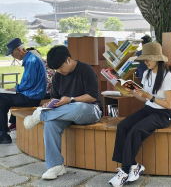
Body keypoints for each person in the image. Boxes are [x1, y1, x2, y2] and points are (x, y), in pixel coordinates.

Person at [23, 45, 103, 180]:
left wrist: (70, 100)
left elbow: (92, 97)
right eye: (56, 69)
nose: (59, 71)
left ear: (68, 60)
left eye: (60, 67)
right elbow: (55, 96)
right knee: (50, 124)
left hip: (90, 110)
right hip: (64, 112)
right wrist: (52, 104)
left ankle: (40, 115)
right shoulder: (57, 75)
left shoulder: (86, 70)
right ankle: (55, 166)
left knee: (78, 107)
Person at [109, 42, 171, 187]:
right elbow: (143, 98)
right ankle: (133, 165)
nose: (146, 62)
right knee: (123, 126)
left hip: (163, 114)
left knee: (136, 130)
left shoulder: (167, 76)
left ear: (157, 59)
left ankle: (125, 171)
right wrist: (132, 91)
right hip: (149, 109)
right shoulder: (146, 73)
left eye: (148, 59)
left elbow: (169, 104)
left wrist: (149, 96)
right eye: (144, 59)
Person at [0, 38, 47, 144]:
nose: (13, 56)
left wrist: (15, 88)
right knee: (1, 102)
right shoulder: (31, 59)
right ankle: (3, 132)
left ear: (19, 50)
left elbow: (29, 83)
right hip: (31, 95)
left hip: (31, 97)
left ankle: (3, 133)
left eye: (12, 53)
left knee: (1, 96)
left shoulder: (31, 60)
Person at [8, 47, 56, 131]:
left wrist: (17, 88)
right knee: (15, 97)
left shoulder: (34, 61)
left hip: (46, 93)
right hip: (41, 92)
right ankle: (13, 123)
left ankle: (10, 126)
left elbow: (33, 83)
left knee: (12, 97)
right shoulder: (37, 62)